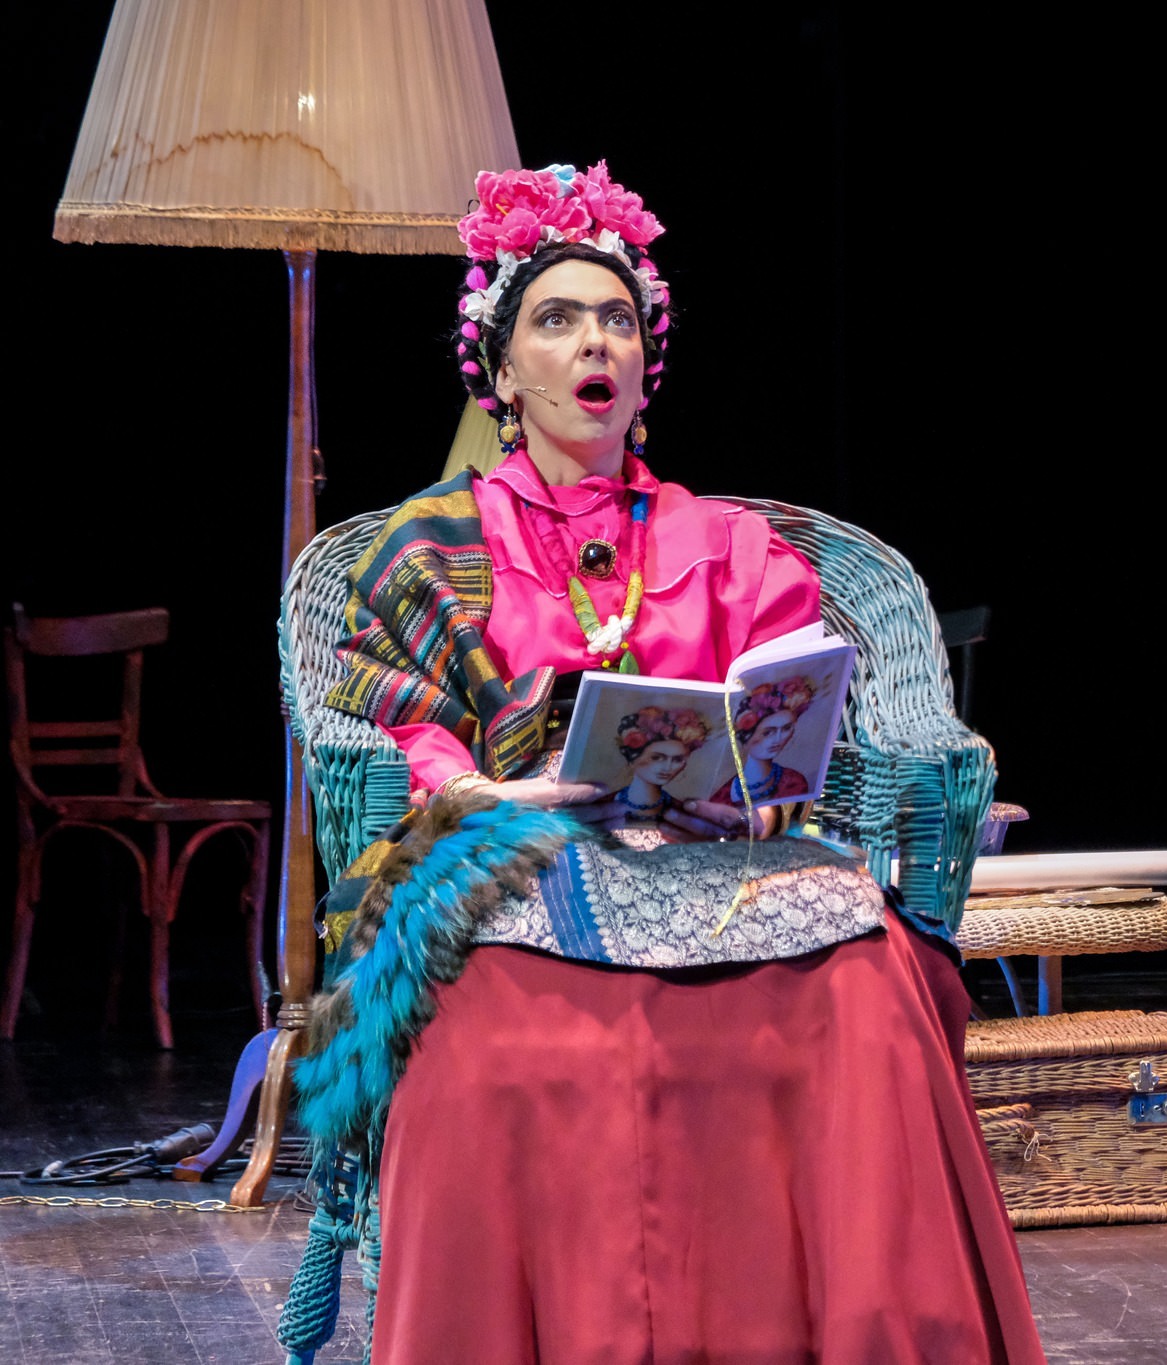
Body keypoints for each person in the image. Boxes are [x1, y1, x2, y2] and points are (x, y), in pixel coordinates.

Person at [283, 162, 1044, 1364]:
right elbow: (407, 731)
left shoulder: (727, 541)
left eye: (617, 319)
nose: (596, 341)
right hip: (521, 845)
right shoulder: (429, 546)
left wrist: (753, 791)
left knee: (864, 978)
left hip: (719, 849)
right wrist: (494, 794)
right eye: (557, 319)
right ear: (502, 371)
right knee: (482, 1003)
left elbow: (793, 708)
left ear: (644, 365)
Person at [610, 704, 711, 833]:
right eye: (657, 758)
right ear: (633, 758)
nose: (668, 767)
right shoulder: (600, 805)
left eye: (677, 760)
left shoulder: (683, 813)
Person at [724, 677, 815, 805]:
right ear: (745, 735)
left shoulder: (794, 782)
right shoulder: (722, 794)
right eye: (768, 732)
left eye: (786, 728)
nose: (778, 739)